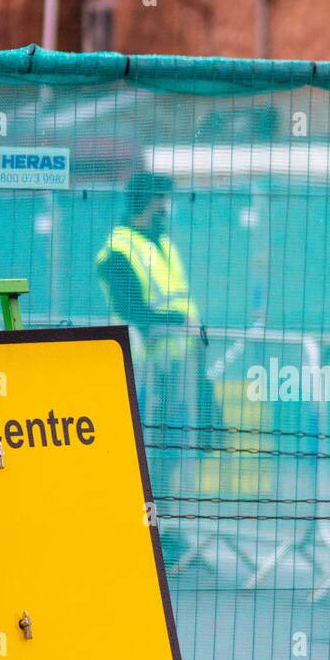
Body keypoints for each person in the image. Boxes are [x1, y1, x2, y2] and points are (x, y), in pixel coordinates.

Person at [95, 171, 209, 559]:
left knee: (167, 454)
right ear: (150, 201)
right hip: (141, 370)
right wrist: (182, 322)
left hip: (173, 367)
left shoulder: (163, 244)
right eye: (163, 199)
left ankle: (165, 534)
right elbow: (133, 309)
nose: (168, 207)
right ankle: (139, 536)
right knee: (139, 453)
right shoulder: (117, 249)